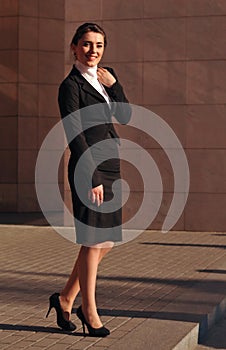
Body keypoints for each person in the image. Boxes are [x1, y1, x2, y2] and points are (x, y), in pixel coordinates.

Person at [46, 23, 131, 337]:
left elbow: (124, 117)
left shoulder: (104, 78)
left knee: (103, 242)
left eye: (98, 45)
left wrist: (116, 85)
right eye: (86, 44)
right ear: (73, 48)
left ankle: (66, 297)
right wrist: (91, 175)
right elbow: (74, 133)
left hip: (111, 165)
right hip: (89, 167)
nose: (93, 50)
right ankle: (89, 310)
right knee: (93, 241)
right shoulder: (70, 86)